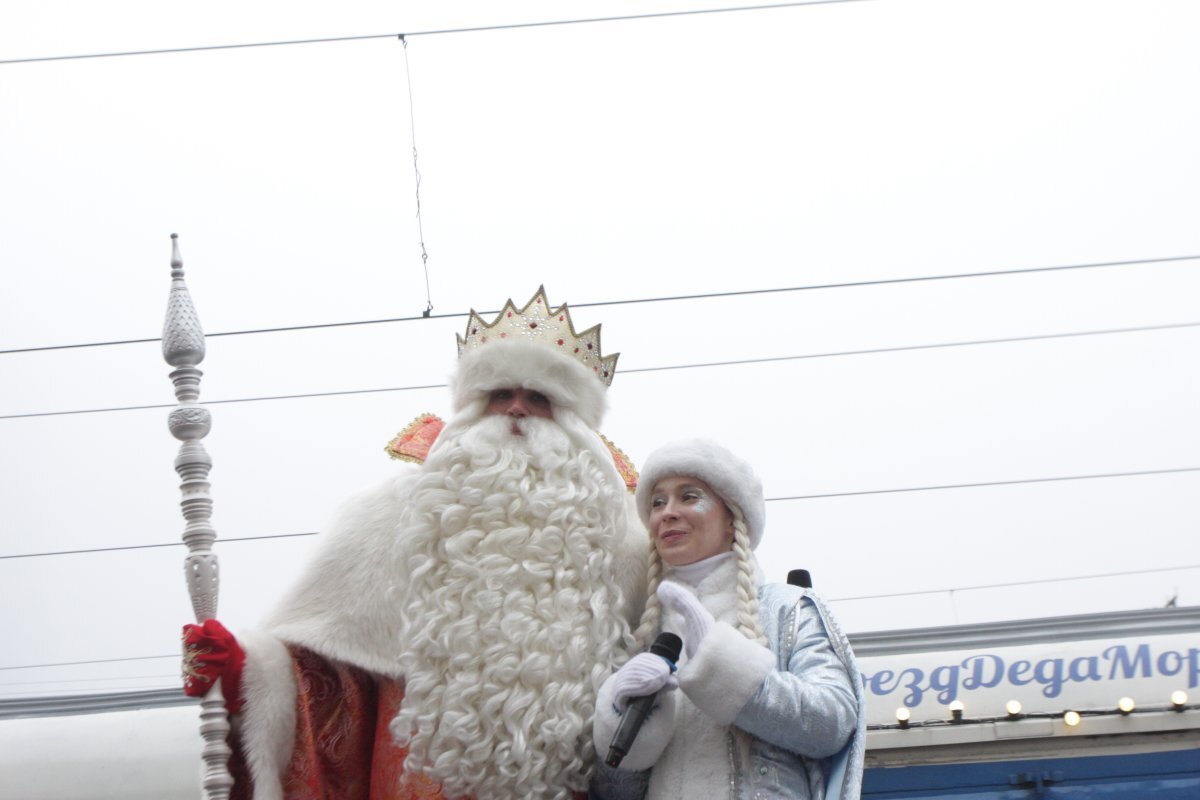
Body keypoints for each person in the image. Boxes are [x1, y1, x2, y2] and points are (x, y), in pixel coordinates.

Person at [183, 288, 649, 800]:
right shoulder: (395, 512)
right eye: (500, 394)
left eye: (539, 398)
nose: (516, 409)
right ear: (472, 408)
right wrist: (245, 670)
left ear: (573, 423)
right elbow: (321, 683)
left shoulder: (623, 540)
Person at [589, 439, 865, 800]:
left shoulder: (789, 608)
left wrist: (723, 668)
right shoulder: (640, 631)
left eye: (688, 497)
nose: (667, 512)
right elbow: (612, 795)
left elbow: (833, 723)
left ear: (732, 519)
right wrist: (620, 721)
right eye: (657, 502)